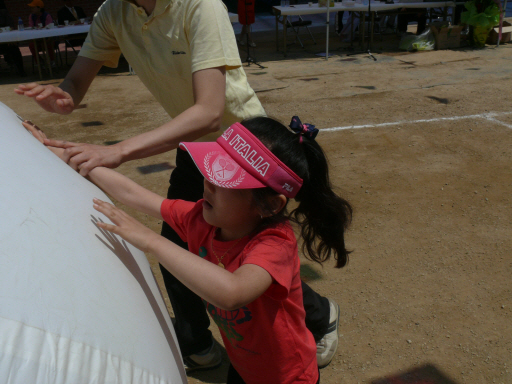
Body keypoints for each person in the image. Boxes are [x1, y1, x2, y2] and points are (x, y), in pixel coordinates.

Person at [15, 0, 340, 371]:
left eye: (217, 187)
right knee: (186, 243)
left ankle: (318, 313)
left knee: (225, 256)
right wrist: (64, 145)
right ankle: (197, 343)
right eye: (209, 183)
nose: (207, 191)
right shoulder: (113, 12)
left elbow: (209, 112)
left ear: (271, 205)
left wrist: (119, 156)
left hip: (247, 147)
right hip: (205, 152)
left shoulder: (199, 6)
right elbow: (135, 194)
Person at [25, 116, 353, 384]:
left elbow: (233, 292)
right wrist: (66, 156)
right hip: (243, 368)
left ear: (268, 205)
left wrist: (151, 240)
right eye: (211, 169)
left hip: (287, 377)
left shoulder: (274, 243)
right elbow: (135, 194)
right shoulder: (201, 218)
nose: (208, 182)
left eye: (226, 179)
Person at [0, 0, 27, 76]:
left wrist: (10, 38)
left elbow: (11, 27)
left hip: (7, 42)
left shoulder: (3, 13)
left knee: (14, 48)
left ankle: (21, 70)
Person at [27, 0, 56, 67]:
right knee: (31, 45)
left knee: (49, 43)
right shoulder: (31, 16)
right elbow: (31, 27)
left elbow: (50, 28)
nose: (31, 9)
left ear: (39, 8)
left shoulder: (47, 16)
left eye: (33, 7)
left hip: (47, 38)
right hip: (37, 39)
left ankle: (52, 61)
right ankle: (39, 62)